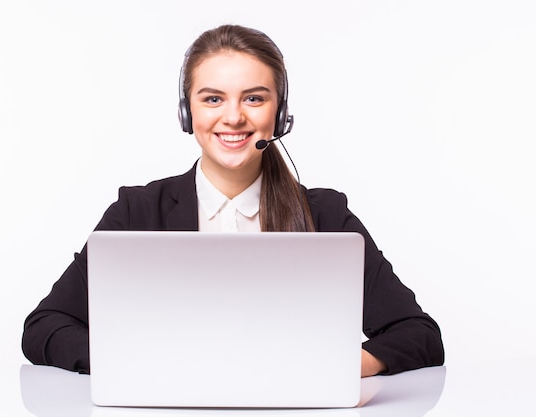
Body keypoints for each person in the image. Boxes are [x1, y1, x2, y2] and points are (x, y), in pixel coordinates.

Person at [22, 24, 444, 377]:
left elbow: (419, 334)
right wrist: (142, 365)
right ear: (187, 113)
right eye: (213, 98)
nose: (234, 117)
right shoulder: (137, 212)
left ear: (280, 115)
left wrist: (340, 367)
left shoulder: (326, 216)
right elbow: (44, 327)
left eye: (254, 98)